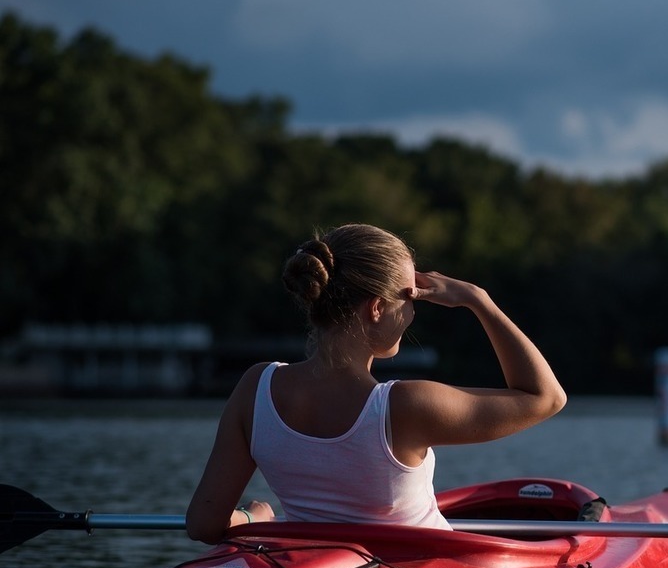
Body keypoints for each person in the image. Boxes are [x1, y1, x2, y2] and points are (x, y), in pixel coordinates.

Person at [186, 223, 567, 544]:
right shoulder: (406, 405)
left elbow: (204, 524)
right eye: (411, 296)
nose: (415, 310)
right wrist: (478, 300)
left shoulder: (256, 387)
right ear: (377, 308)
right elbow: (546, 397)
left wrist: (255, 520)